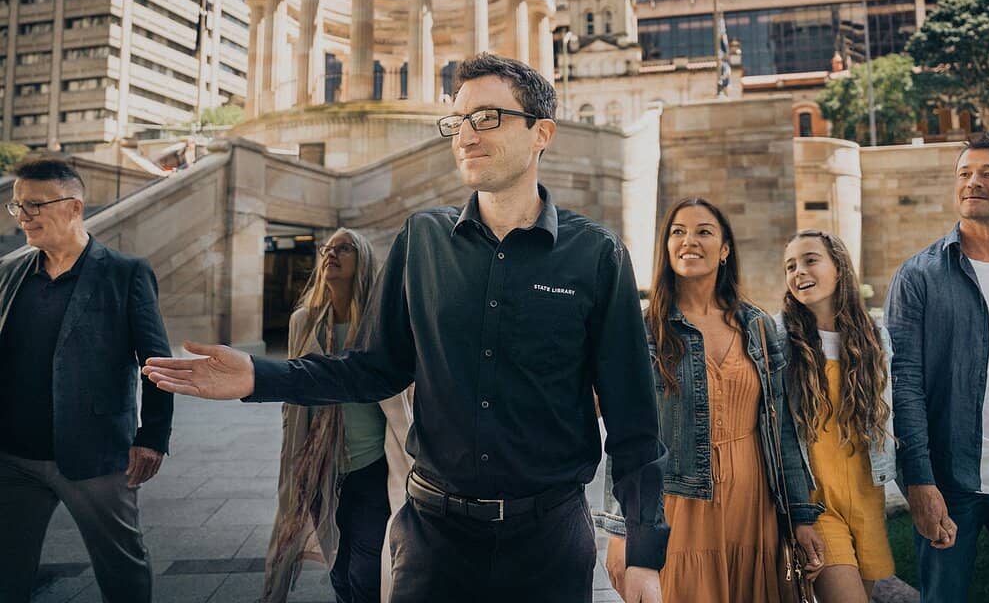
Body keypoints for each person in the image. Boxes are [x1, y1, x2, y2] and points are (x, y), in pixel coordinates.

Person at [145, 53, 669, 603]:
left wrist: (643, 554)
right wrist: (260, 376)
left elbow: (634, 421)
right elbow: (374, 369)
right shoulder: (422, 240)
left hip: (549, 542)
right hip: (435, 539)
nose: (466, 135)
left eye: (486, 118)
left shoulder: (596, 255)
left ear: (542, 133)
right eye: (457, 121)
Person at [599, 196, 824, 603]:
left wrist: (801, 516)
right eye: (678, 232)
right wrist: (622, 531)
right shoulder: (644, 329)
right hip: (675, 507)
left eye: (704, 232)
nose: (689, 241)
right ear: (667, 248)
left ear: (724, 250)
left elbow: (783, 431)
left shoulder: (757, 326)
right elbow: (628, 437)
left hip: (752, 503)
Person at [0, 158, 173, 603]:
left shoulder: (125, 272)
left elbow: (156, 361)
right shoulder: (9, 273)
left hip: (96, 454)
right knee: (7, 572)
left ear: (74, 207)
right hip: (14, 456)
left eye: (35, 205)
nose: (23, 216)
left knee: (122, 569)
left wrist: (152, 437)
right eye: (17, 206)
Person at [885, 132, 989, 602]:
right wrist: (919, 482)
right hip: (949, 480)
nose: (973, 182)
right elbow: (904, 387)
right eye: (964, 173)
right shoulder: (918, 276)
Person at [262, 227, 414, 603]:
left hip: (371, 466)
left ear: (363, 260)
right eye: (327, 248)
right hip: (320, 467)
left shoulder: (379, 325)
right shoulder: (303, 321)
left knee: (366, 570)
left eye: (343, 248)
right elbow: (294, 391)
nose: (331, 254)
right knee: (339, 566)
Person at [777, 229, 896, 602]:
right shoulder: (778, 338)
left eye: (810, 260)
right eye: (790, 266)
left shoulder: (874, 337)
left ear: (839, 268)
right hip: (816, 503)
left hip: (868, 496)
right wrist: (797, 512)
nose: (798, 271)